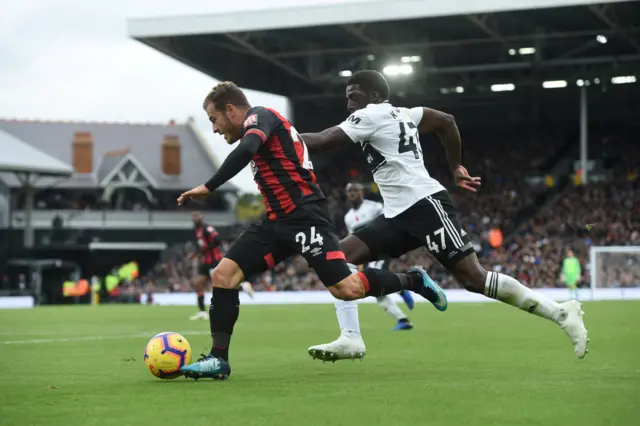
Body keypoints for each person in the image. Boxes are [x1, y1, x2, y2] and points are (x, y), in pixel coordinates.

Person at [300, 70, 589, 359]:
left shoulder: (370, 115)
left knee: (475, 279)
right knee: (336, 259)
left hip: (425, 205)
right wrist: (456, 166)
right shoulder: (406, 113)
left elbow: (323, 140)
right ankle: (353, 337)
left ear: (374, 96)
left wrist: (276, 137)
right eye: (347, 99)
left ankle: (561, 313)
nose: (349, 105)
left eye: (354, 97)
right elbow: (445, 122)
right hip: (397, 214)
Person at [175, 82, 448, 380]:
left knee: (347, 289)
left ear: (231, 110)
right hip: (276, 221)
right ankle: (218, 359)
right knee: (223, 276)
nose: (215, 129)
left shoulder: (261, 117)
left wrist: (209, 186)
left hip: (306, 217)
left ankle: (412, 279)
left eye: (214, 119)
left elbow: (248, 148)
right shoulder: (261, 126)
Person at [308, 182, 415, 362]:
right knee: (375, 290)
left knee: (376, 280)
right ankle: (402, 308)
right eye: (349, 191)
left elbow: (388, 222)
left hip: (380, 248)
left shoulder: (375, 207)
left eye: (355, 191)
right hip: (364, 253)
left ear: (362, 192)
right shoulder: (349, 217)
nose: (352, 194)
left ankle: (405, 289)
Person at [190, 212, 254, 322]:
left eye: (197, 217)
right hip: (205, 262)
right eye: (193, 218)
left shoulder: (207, 228)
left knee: (221, 283)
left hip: (213, 260)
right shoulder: (198, 231)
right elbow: (201, 246)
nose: (195, 220)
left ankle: (243, 285)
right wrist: (196, 254)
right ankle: (202, 312)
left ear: (201, 218)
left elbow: (217, 240)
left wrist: (205, 250)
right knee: (199, 283)